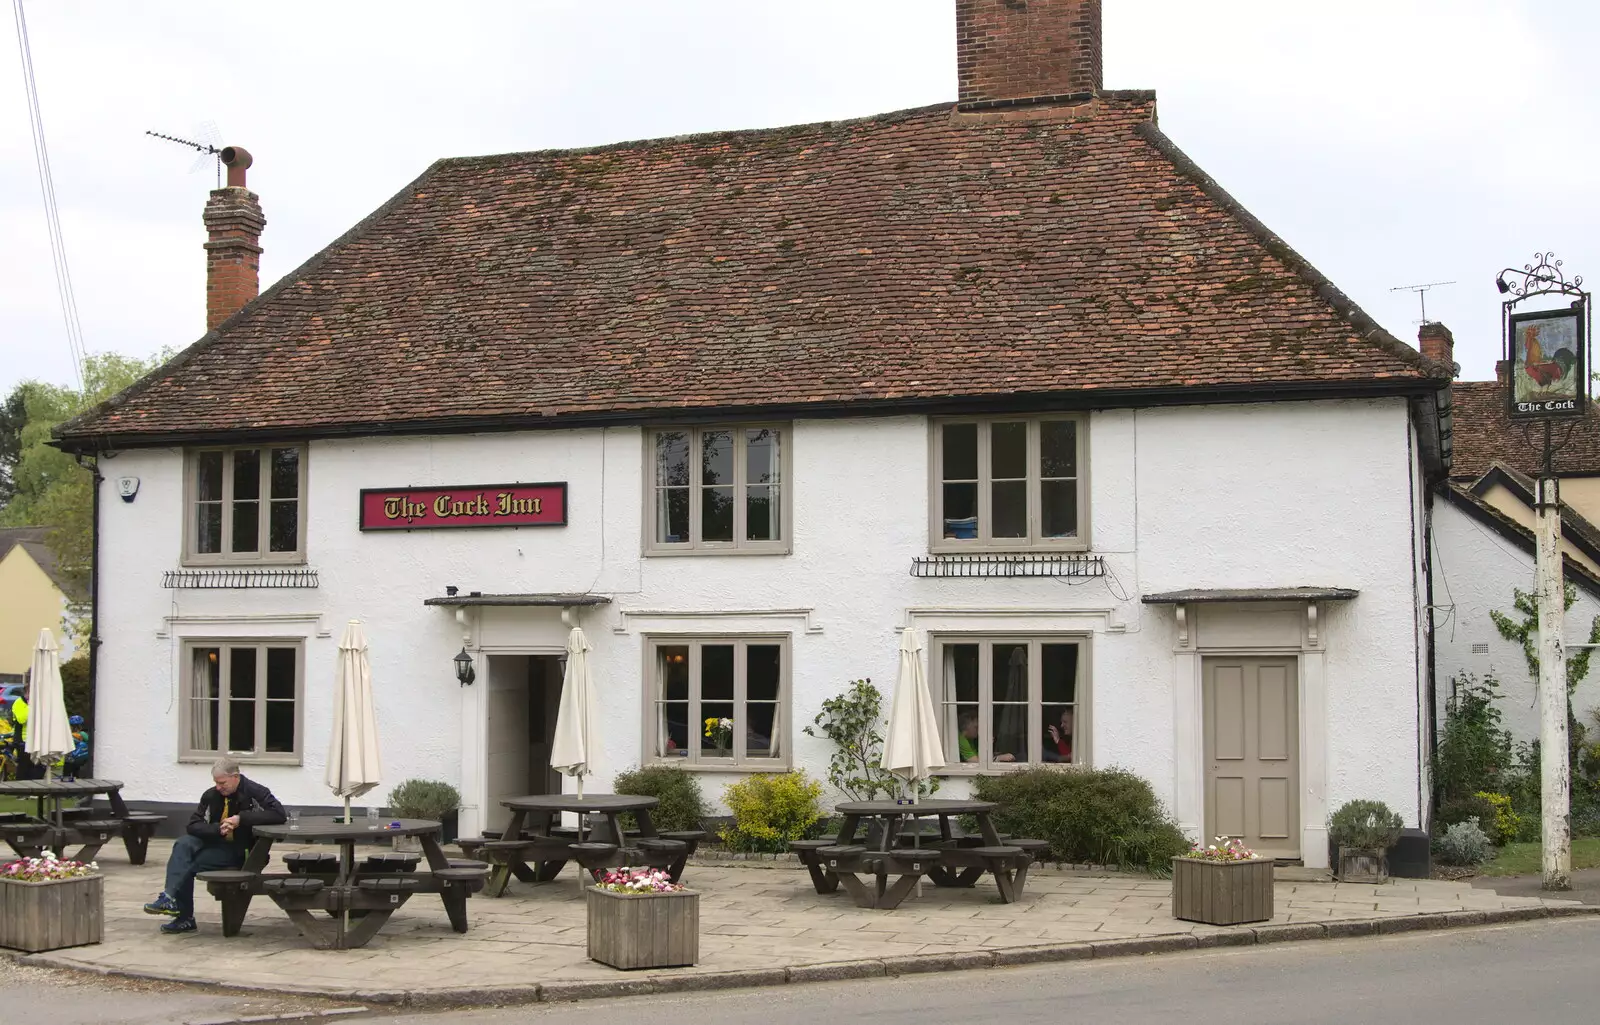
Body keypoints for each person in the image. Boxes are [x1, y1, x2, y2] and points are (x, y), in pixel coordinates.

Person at [144, 757, 285, 934]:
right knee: (182, 844)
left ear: (235, 777)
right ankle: (169, 898)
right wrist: (218, 829)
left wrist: (241, 819)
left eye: (222, 782)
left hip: (241, 850)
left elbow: (279, 814)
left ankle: (183, 917)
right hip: (215, 843)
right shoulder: (211, 795)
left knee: (185, 865)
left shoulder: (255, 792)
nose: (219, 787)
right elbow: (193, 825)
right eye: (216, 782)